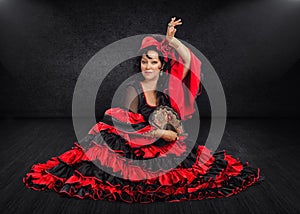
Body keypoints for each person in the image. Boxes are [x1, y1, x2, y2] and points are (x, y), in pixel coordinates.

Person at [23, 17, 261, 203]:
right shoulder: (132, 87)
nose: (148, 66)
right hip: (139, 141)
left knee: (195, 169)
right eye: (145, 61)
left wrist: (171, 40)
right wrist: (162, 134)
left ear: (162, 64)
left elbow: (189, 61)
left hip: (165, 141)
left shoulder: (170, 84)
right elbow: (128, 125)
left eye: (154, 62)